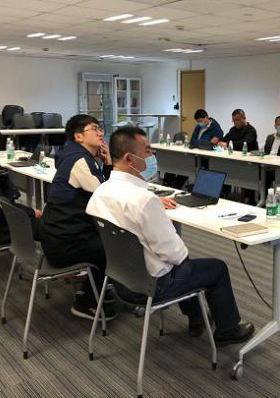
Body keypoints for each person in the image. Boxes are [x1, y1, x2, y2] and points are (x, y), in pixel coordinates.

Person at [87, 126, 255, 345]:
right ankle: (228, 330)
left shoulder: (101, 191)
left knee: (182, 264)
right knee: (214, 267)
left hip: (120, 279)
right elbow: (175, 254)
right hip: (153, 285)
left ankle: (197, 318)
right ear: (129, 158)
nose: (152, 157)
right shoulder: (143, 200)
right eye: (148, 151)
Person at [41, 115, 136, 321]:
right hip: (65, 244)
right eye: (94, 129)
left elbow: (103, 190)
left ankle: (95, 289)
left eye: (101, 129)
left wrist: (107, 163)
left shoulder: (75, 156)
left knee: (108, 238)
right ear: (78, 137)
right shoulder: (79, 160)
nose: (101, 133)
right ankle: (88, 302)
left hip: (60, 236)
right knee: (115, 245)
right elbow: (108, 194)